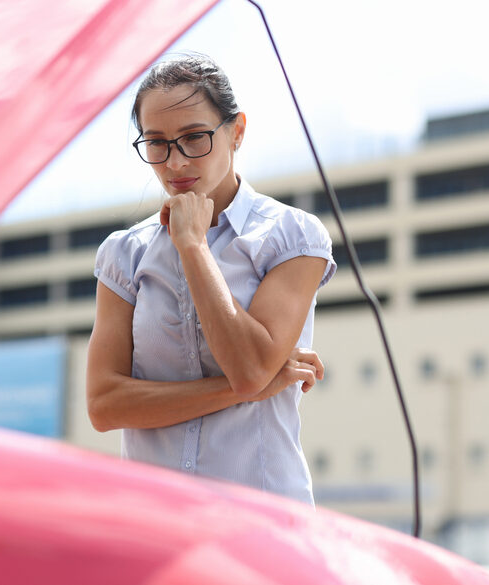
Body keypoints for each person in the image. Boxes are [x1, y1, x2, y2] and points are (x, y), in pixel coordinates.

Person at [85, 54, 336, 506]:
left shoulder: (291, 236)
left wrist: (193, 247)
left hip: (260, 516)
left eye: (194, 138)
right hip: (154, 519)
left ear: (236, 131)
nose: (175, 162)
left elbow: (249, 367)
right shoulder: (124, 253)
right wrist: (248, 387)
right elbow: (105, 405)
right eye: (157, 143)